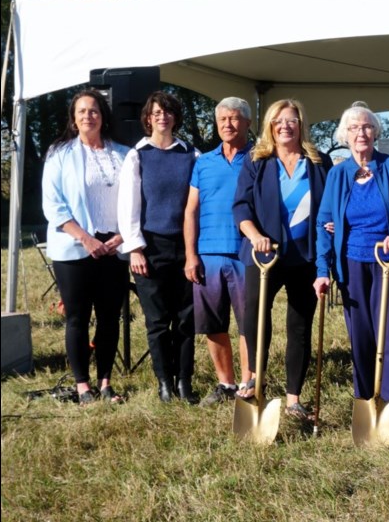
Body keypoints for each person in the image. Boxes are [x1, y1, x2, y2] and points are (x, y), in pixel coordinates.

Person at [313, 102, 389, 419]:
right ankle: (365, 402)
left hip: (388, 262)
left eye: (367, 127)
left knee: (387, 334)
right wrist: (322, 270)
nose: (361, 132)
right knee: (360, 336)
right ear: (344, 135)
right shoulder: (338, 174)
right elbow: (323, 222)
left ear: (376, 132)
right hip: (351, 263)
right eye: (354, 128)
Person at [233, 99, 328, 420]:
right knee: (254, 320)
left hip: (305, 258)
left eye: (291, 120)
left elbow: (329, 205)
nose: (285, 126)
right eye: (278, 121)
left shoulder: (318, 162)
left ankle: (293, 399)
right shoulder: (256, 161)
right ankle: (255, 379)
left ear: (301, 125)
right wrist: (254, 234)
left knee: (299, 328)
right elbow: (241, 207)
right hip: (263, 258)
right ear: (270, 127)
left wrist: (331, 222)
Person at [41, 89, 131, 405]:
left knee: (109, 317)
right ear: (73, 118)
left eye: (93, 110)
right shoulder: (59, 154)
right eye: (81, 111)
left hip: (115, 247)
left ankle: (106, 383)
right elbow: (53, 205)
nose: (87, 116)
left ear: (103, 116)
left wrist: (123, 235)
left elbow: (136, 199)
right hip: (75, 249)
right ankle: (83, 387)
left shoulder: (124, 154)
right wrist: (85, 238)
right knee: (77, 318)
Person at [118, 91, 199, 403]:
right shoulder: (137, 156)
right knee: (156, 322)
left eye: (167, 112)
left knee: (186, 320)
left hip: (186, 247)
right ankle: (164, 384)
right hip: (150, 249)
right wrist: (135, 248)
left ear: (175, 117)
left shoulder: (192, 155)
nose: (162, 117)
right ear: (148, 119)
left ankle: (184, 384)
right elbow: (128, 206)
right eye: (156, 113)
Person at [183, 97, 253, 406]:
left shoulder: (260, 159)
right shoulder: (203, 162)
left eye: (235, 118)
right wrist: (190, 255)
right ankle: (225, 384)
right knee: (213, 324)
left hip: (246, 254)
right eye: (222, 119)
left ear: (247, 124)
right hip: (207, 256)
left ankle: (249, 384)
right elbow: (191, 211)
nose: (228, 124)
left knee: (248, 324)